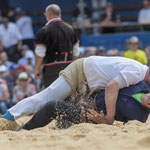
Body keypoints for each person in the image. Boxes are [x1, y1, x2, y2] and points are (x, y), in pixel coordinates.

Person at [2, 56, 150, 125]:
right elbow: (112, 87)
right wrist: (109, 118)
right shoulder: (136, 72)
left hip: (87, 81)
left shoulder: (139, 76)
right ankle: (9, 115)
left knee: (55, 106)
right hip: (81, 73)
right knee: (46, 98)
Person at [22, 81, 150, 130]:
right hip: (89, 94)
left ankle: (24, 130)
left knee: (52, 106)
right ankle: (63, 129)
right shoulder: (141, 84)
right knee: (63, 93)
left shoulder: (140, 117)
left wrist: (103, 122)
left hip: (92, 114)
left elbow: (122, 132)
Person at [34, 4, 80, 87]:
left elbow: (40, 53)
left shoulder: (44, 31)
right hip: (69, 68)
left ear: (48, 14)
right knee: (69, 96)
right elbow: (76, 52)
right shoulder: (70, 29)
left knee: (53, 97)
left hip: (51, 70)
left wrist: (36, 68)